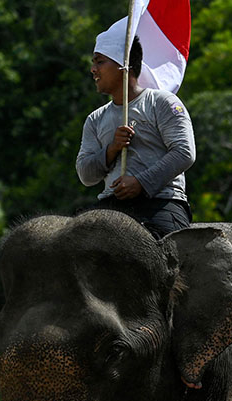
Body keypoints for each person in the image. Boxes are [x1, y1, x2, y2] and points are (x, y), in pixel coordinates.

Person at [76, 21, 195, 239]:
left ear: (125, 65)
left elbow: (184, 152)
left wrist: (141, 182)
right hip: (110, 208)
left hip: (161, 204)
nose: (93, 69)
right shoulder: (95, 119)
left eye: (100, 62)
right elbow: (85, 174)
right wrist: (112, 149)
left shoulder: (162, 102)